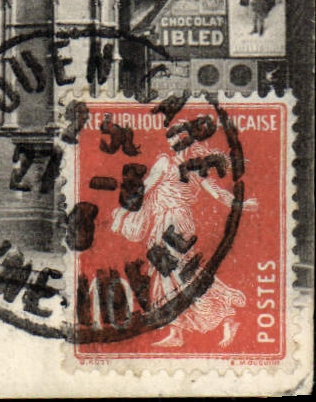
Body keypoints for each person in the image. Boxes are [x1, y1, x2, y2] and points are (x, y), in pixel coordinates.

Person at [110, 147, 257, 348]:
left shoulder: (192, 168)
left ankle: (224, 316)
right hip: (166, 222)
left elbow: (218, 194)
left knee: (176, 273)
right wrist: (122, 213)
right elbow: (144, 188)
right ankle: (178, 330)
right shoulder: (167, 163)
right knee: (169, 275)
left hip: (174, 223)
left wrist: (241, 204)